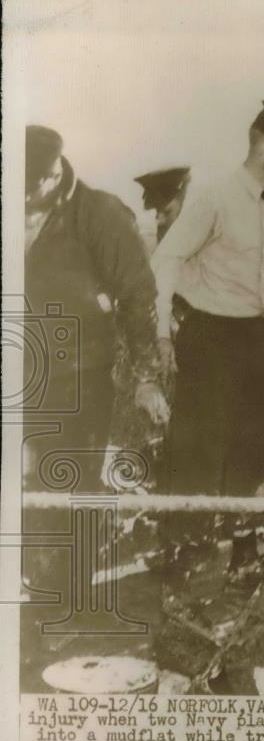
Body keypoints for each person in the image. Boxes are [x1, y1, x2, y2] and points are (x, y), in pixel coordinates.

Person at [152, 101, 264, 498]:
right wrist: (162, 330)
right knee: (198, 453)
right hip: (209, 337)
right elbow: (166, 260)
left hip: (254, 342)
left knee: (254, 451)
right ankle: (187, 548)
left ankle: (244, 547)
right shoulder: (215, 199)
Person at [23, 125, 169, 492]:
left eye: (29, 188)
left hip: (76, 374)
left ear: (51, 174)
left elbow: (137, 295)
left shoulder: (100, 214)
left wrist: (147, 377)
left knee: (68, 484)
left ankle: (76, 549)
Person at [134, 166, 191, 244]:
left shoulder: (175, 198)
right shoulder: (173, 198)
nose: (160, 221)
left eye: (167, 213)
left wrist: (186, 183)